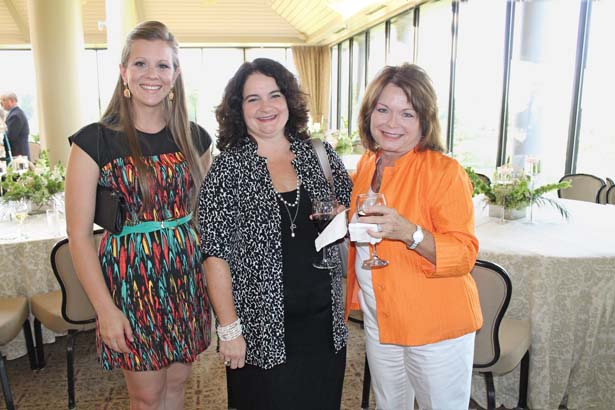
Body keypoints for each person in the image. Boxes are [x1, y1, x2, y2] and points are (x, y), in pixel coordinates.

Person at [64, 21, 212, 409]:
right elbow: (79, 236)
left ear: (176, 75)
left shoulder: (195, 138)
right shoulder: (93, 141)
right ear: (124, 72)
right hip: (132, 282)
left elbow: (205, 218)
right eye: (141, 64)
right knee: (146, 396)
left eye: (163, 65)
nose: (152, 74)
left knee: (177, 385)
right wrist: (105, 310)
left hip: (187, 277)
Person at [198, 57, 352, 410]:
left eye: (274, 95)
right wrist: (229, 330)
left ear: (289, 100)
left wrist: (343, 217)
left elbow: (346, 214)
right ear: (239, 109)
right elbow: (215, 256)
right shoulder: (228, 169)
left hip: (324, 324)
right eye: (253, 99)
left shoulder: (319, 155)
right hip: (260, 331)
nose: (265, 107)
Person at [345, 64, 483, 409]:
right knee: (390, 404)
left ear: (424, 121)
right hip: (381, 318)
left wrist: (410, 233)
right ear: (369, 113)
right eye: (383, 110)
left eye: (407, 113)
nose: (392, 123)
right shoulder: (368, 163)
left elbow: (464, 255)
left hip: (434, 326)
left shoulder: (444, 172)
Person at [0, 92, 29, 159]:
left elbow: (10, 137)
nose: (1, 103)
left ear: (12, 101)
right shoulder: (15, 113)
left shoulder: (15, 116)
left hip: (18, 156)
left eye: (3, 100)